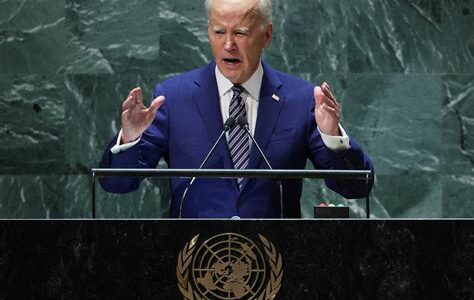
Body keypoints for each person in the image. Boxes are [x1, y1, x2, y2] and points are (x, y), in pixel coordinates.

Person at [99, 0, 374, 218]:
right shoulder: (174, 97)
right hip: (193, 264)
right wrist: (130, 138)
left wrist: (332, 137)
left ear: (266, 35)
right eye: (219, 32)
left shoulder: (299, 100)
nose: (228, 44)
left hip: (275, 265)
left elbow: (356, 186)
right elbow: (117, 184)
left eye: (241, 33)